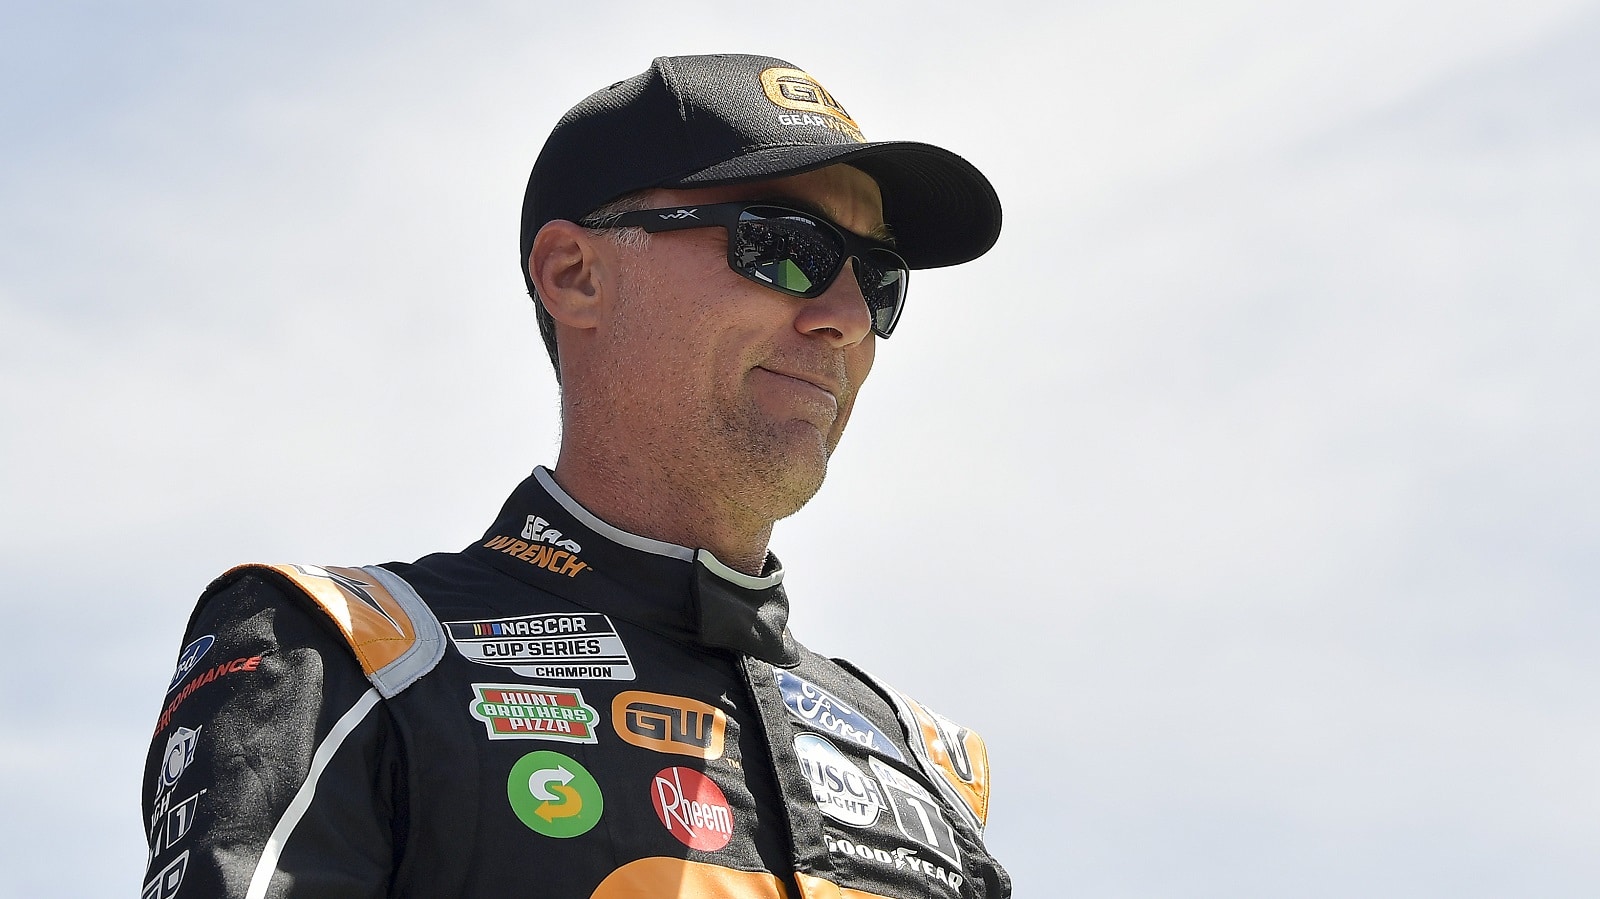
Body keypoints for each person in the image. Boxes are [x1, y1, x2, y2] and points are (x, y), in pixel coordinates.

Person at [141, 53, 1009, 899]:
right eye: (783, 247)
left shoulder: (926, 764)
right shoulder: (347, 656)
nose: (847, 318)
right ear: (575, 275)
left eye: (880, 279)